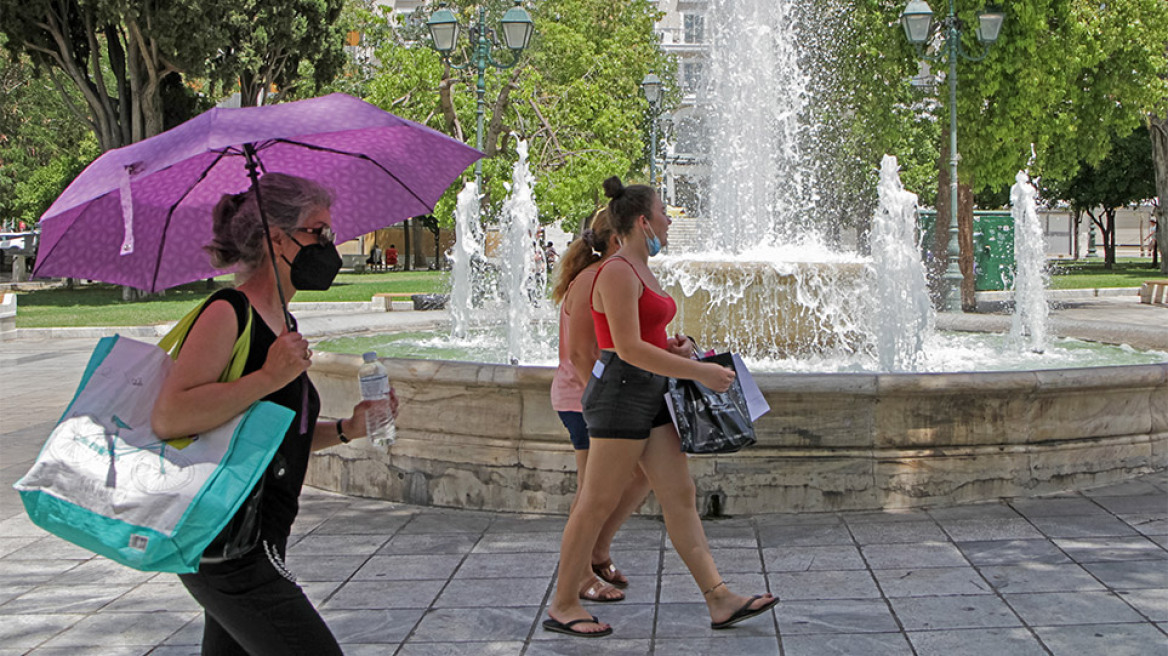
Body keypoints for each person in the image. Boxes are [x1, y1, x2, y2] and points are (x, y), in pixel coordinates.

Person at [152, 173, 396, 655]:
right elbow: (170, 416)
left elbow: (274, 432)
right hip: (225, 545)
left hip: (255, 539)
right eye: (318, 232)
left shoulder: (281, 322)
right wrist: (267, 376)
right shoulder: (228, 312)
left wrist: (349, 430)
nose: (329, 244)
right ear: (276, 238)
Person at [544, 177, 777, 638]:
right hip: (620, 396)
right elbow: (625, 348)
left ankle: (718, 598)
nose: (671, 221)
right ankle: (564, 603)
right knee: (595, 502)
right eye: (665, 213)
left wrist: (675, 348)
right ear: (642, 221)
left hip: (650, 393)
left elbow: (640, 337)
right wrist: (700, 373)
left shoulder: (639, 269)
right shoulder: (615, 271)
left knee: (679, 496)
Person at [549, 208, 652, 604]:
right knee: (591, 493)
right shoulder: (593, 279)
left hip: (591, 396)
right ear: (615, 241)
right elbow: (580, 353)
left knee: (640, 475)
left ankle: (598, 551)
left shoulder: (605, 277)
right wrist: (609, 394)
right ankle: (580, 576)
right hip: (583, 399)